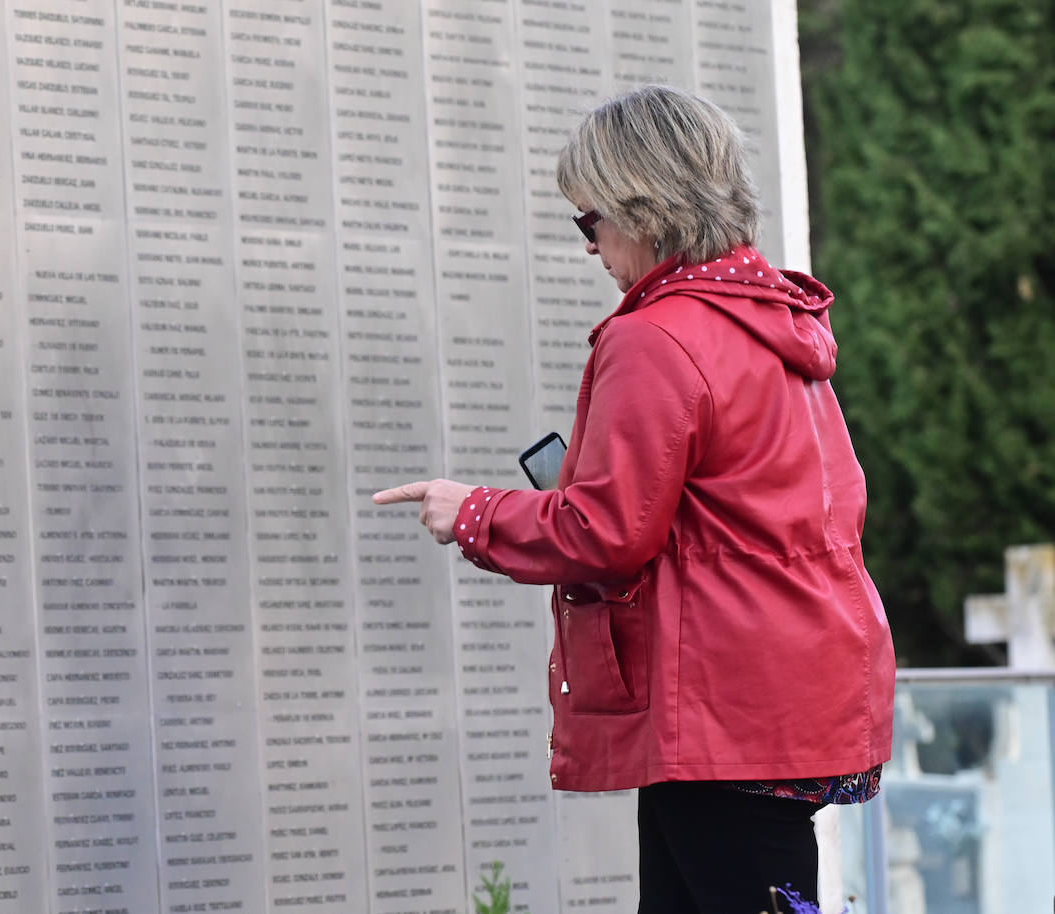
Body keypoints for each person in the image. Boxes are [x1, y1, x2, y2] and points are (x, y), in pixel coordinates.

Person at [373, 85, 895, 913]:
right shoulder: (778, 328)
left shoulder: (656, 337)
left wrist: (471, 512)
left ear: (644, 206)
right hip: (794, 697)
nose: (589, 247)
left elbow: (606, 532)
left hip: (725, 716)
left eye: (590, 221)